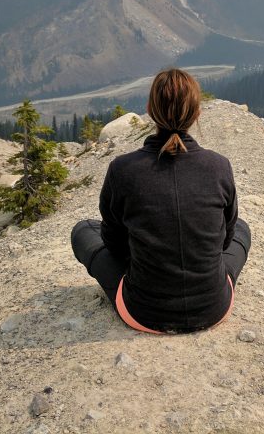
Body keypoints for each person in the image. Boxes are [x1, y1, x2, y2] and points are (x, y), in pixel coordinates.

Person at [71, 68, 251, 334]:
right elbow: (224, 240)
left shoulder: (123, 169)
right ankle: (214, 284)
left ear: (149, 109)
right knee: (242, 230)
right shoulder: (219, 166)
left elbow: (114, 243)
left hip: (144, 311)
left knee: (84, 231)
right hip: (213, 306)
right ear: (197, 112)